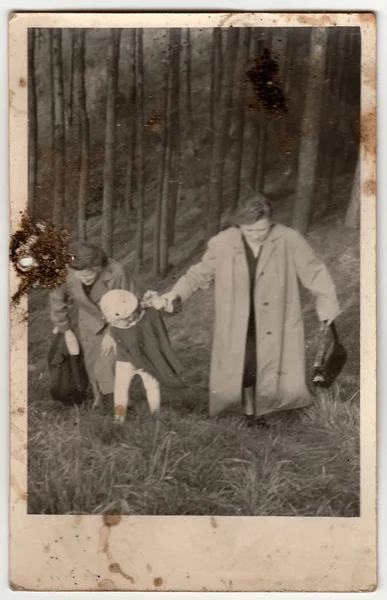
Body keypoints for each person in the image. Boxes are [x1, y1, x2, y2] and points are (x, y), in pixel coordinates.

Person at [160, 194, 341, 426]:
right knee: (245, 367)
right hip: (239, 319)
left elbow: (314, 271)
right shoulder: (223, 242)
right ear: (239, 226)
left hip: (275, 318)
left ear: (271, 222)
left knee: (266, 367)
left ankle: (262, 411)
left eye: (262, 230)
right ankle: (250, 414)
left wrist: (327, 305)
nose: (256, 236)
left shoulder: (288, 239)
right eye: (249, 231)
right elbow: (198, 274)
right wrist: (175, 293)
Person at [49, 242, 140, 407]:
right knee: (92, 365)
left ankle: (118, 406)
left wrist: (113, 332)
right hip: (89, 321)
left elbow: (131, 302)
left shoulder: (116, 271)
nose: (84, 279)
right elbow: (56, 298)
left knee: (105, 365)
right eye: (79, 275)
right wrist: (65, 329)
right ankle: (101, 404)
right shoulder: (66, 272)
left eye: (88, 274)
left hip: (119, 320)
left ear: (98, 267)